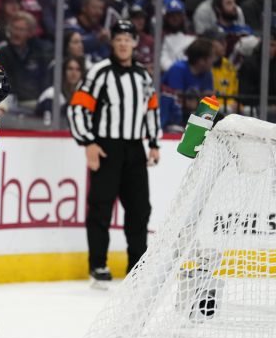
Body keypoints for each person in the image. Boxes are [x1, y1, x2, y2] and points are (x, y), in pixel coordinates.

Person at [67, 19, 161, 288]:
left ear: (134, 43)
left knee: (139, 209)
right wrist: (88, 142)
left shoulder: (143, 75)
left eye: (127, 39)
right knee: (100, 208)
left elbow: (152, 110)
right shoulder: (100, 72)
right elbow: (77, 107)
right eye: (118, 39)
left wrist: (154, 143)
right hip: (107, 147)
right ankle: (98, 266)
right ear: (113, 43)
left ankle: (136, 266)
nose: (123, 43)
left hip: (135, 148)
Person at [160, 37, 215, 128]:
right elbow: (178, 100)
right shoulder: (178, 69)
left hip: (190, 118)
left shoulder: (207, 73)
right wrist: (196, 102)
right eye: (211, 57)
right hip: (170, 119)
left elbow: (208, 101)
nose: (213, 60)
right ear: (201, 60)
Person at [36, 55, 86, 122]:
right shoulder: (51, 95)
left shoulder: (85, 95)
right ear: (63, 72)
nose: (74, 73)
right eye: (70, 69)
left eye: (78, 69)